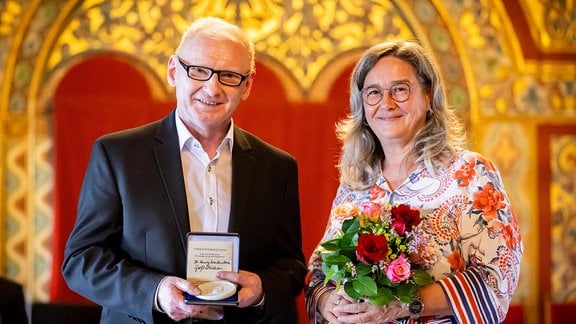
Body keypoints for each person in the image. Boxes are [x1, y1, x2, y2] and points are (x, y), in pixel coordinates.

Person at [62, 17, 307, 324]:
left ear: (248, 85)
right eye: (199, 70)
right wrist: (155, 291)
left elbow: (291, 265)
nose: (212, 88)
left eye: (229, 75)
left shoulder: (278, 167)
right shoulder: (117, 155)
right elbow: (81, 260)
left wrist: (261, 289)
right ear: (173, 70)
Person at [305, 39, 523, 323]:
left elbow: (497, 280)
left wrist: (400, 305)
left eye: (400, 89)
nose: (386, 103)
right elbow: (319, 274)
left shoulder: (469, 172)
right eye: (373, 92)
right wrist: (327, 303)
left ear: (429, 96)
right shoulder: (356, 183)